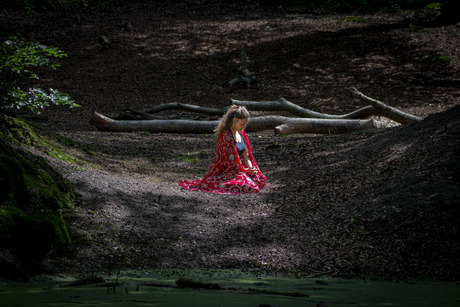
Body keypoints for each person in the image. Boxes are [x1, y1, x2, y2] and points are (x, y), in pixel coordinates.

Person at [178, 105, 266, 194]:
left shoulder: (242, 133)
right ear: (234, 120)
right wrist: (246, 170)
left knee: (259, 179)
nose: (243, 127)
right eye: (242, 124)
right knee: (252, 187)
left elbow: (245, 155)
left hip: (241, 169)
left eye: (245, 124)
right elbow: (230, 163)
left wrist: (251, 168)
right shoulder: (226, 136)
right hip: (230, 172)